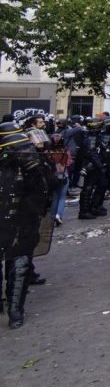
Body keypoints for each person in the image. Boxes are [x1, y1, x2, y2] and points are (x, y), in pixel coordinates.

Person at [1, 131, 58, 329]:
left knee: (20, 264)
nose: (28, 152)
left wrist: (39, 170)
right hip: (3, 221)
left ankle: (16, 308)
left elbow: (50, 187)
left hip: (24, 221)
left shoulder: (36, 168)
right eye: (21, 150)